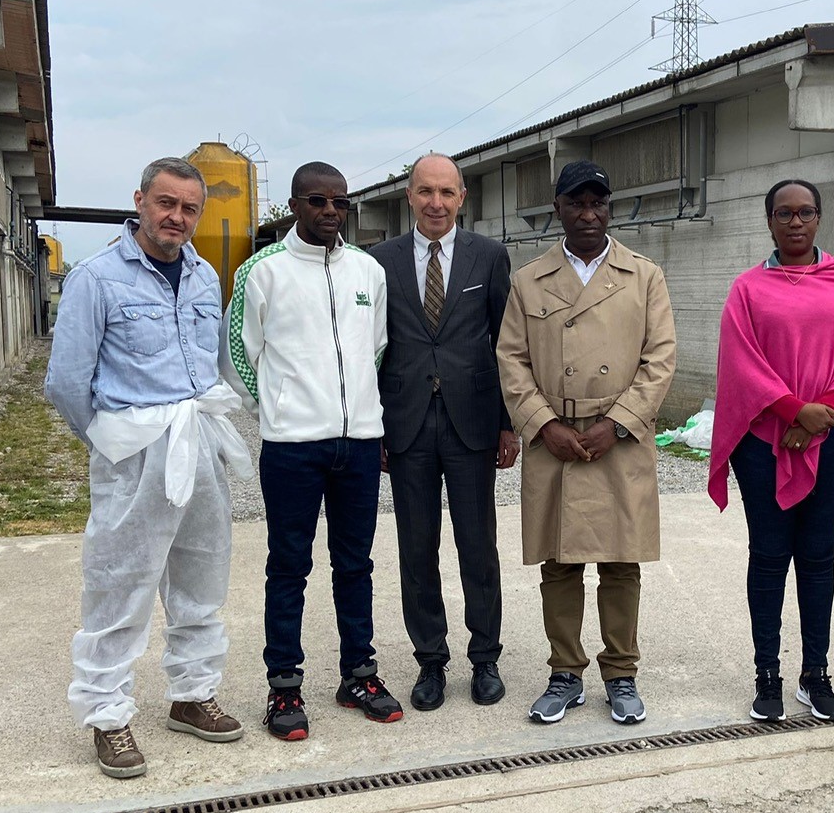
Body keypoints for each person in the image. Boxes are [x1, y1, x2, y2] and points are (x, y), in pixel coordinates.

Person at [45, 157, 252, 778]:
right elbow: (65, 382)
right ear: (139, 201)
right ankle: (108, 715)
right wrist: (111, 440)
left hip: (198, 438)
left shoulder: (204, 277)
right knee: (119, 582)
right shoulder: (97, 279)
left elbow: (213, 363)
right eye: (166, 203)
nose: (177, 218)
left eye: (190, 208)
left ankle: (191, 695)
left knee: (201, 575)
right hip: (134, 448)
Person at [497, 160, 677, 726]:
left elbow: (661, 358)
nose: (589, 213)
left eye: (598, 202)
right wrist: (543, 424)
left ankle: (621, 674)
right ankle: (565, 673)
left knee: (622, 564)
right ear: (558, 208)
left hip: (618, 439)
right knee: (560, 562)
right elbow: (511, 359)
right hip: (556, 438)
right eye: (577, 203)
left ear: (610, 208)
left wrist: (619, 421)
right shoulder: (528, 280)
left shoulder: (643, 275)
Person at [222, 161, 396, 740]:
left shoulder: (369, 271)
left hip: (360, 446)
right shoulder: (261, 272)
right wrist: (276, 410)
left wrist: (356, 415)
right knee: (289, 566)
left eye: (339, 202)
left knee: (356, 565)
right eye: (317, 200)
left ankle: (359, 674)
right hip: (292, 448)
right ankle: (284, 687)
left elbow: (375, 350)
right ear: (294, 205)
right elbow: (237, 357)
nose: (329, 211)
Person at [708, 179, 834, 724]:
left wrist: (818, 413)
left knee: (817, 556)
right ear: (769, 221)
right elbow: (741, 360)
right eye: (784, 213)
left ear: (819, 218)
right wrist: (791, 410)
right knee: (768, 554)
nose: (796, 222)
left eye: (806, 212)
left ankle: (816, 673)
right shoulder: (748, 289)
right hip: (765, 440)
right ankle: (767, 674)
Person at [368, 153, 519, 712]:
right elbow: (371, 348)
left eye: (447, 193)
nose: (436, 203)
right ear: (409, 195)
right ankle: (430, 660)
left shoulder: (489, 257)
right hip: (405, 422)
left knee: (478, 546)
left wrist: (507, 423)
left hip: (472, 422)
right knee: (417, 547)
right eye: (425, 191)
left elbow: (506, 344)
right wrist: (374, 427)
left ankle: (486, 658)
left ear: (462, 198)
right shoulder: (377, 262)